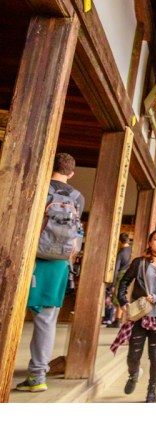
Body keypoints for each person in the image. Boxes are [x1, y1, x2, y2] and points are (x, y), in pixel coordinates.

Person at [15, 153, 85, 393]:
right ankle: (37, 376)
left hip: (29, 257)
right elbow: (76, 237)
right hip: (58, 264)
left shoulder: (39, 187)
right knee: (46, 320)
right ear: (71, 173)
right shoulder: (78, 198)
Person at [112, 228, 156, 403]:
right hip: (139, 315)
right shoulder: (139, 262)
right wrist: (123, 301)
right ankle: (134, 374)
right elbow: (124, 282)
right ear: (149, 243)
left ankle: (152, 390)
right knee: (133, 355)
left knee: (155, 355)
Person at [103, 233, 132, 327]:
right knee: (123, 296)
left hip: (121, 275)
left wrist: (112, 283)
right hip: (130, 275)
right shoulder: (131, 249)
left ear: (120, 241)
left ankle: (117, 320)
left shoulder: (121, 252)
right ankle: (118, 320)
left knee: (118, 297)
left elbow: (115, 269)